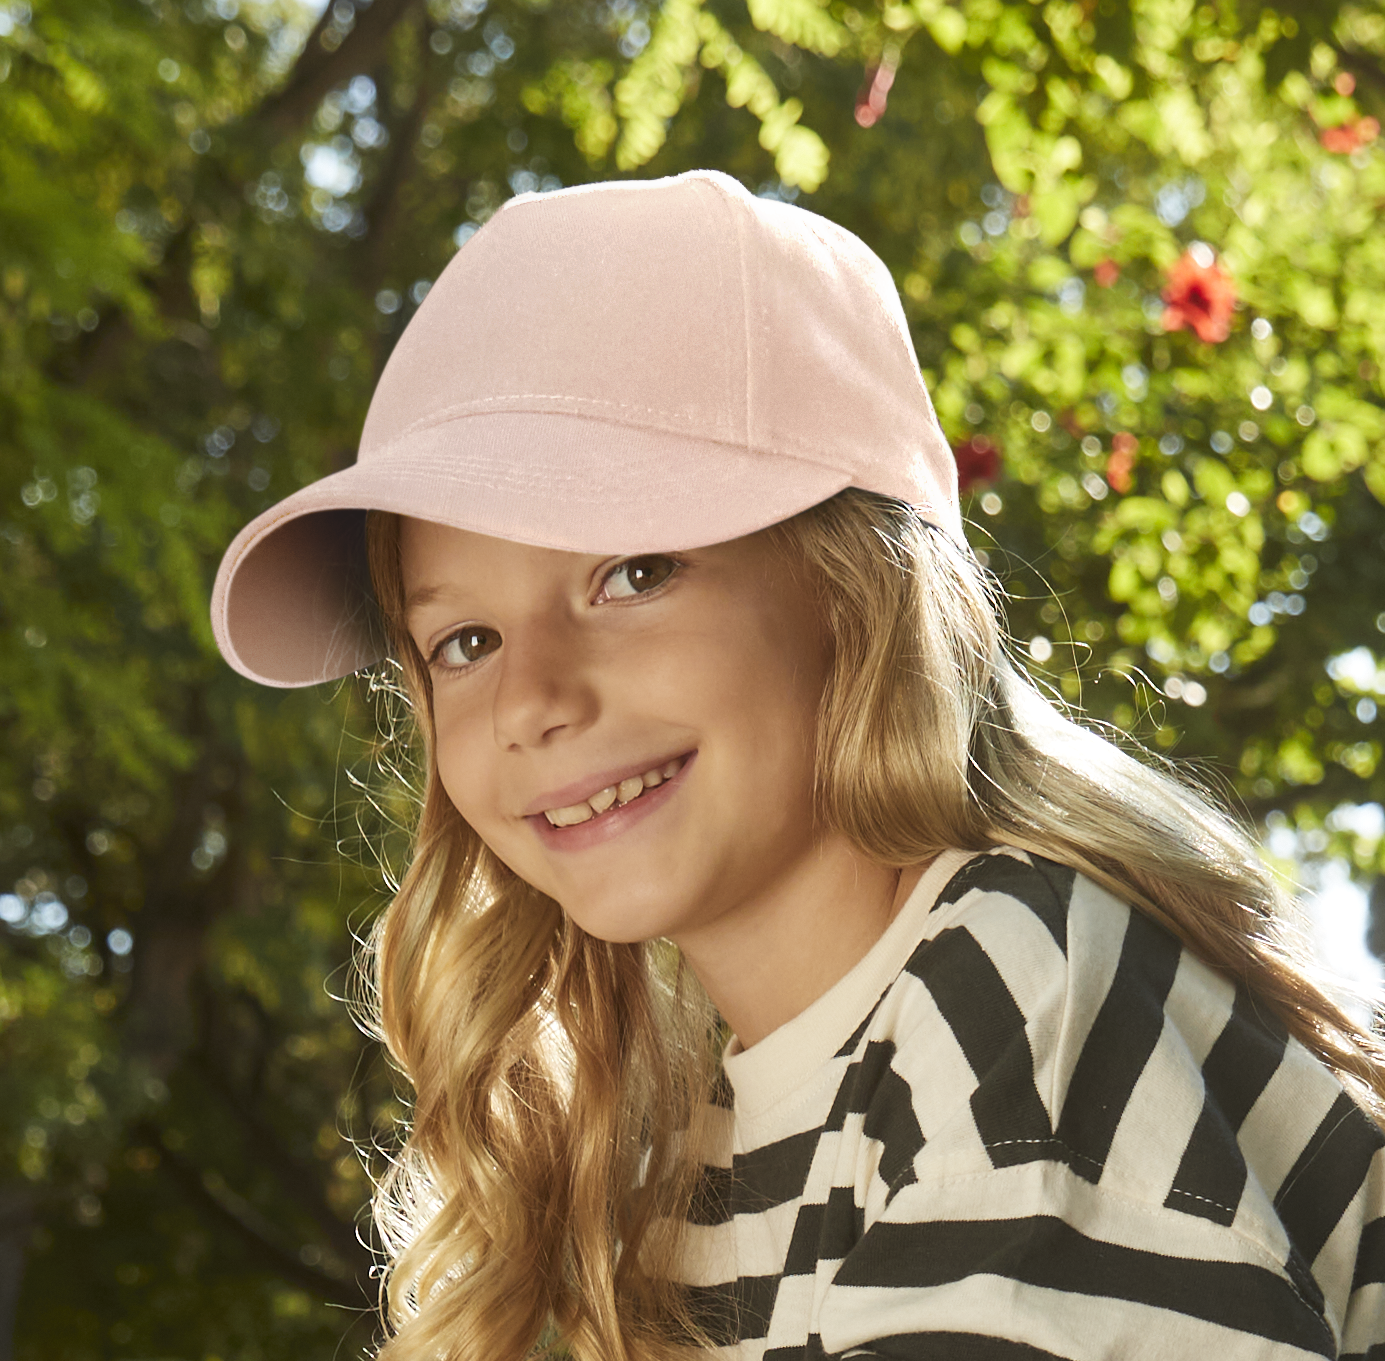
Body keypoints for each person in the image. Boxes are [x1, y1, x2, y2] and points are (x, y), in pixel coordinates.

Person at [210, 170, 1385, 1361]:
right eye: (463, 642)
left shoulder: (1010, 980)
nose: (532, 701)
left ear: (852, 587)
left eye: (632, 574)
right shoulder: (696, 1158)